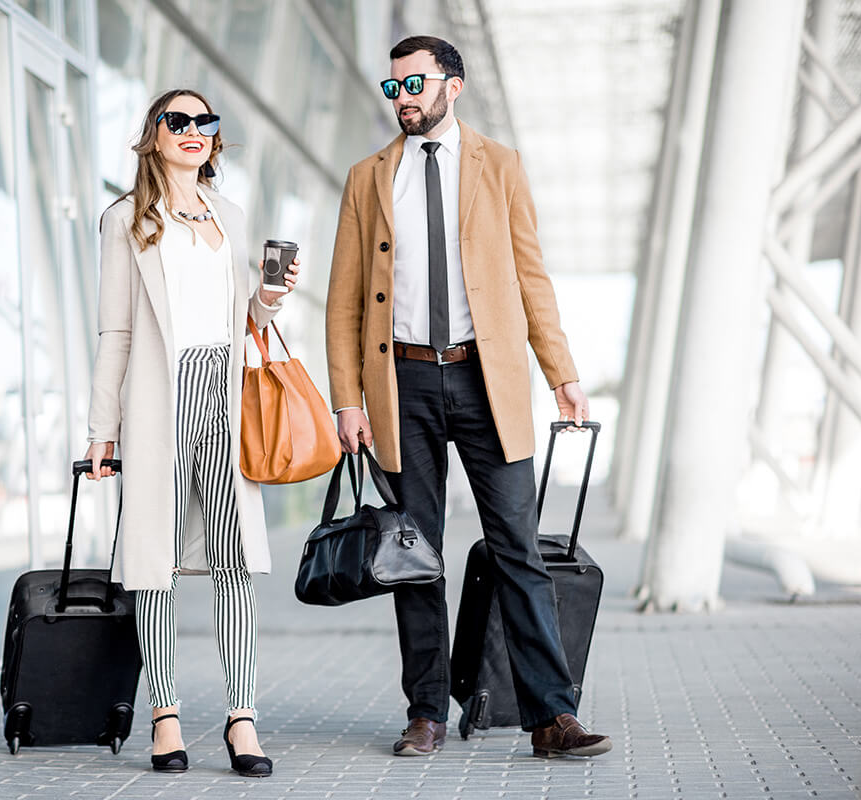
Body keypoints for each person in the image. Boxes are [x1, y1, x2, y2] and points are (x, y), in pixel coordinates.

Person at [324, 36, 612, 759]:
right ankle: (426, 709)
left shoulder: (500, 166)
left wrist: (562, 373)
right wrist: (347, 400)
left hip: (489, 380)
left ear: (454, 85)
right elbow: (343, 301)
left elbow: (531, 277)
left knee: (518, 549)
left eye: (415, 83)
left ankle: (553, 715)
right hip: (404, 383)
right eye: (394, 88)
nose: (403, 98)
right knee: (416, 554)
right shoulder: (367, 177)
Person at [84, 89, 299, 777]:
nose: (193, 131)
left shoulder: (229, 216)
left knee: (234, 556)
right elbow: (115, 331)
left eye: (205, 122)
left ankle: (243, 719)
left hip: (223, 396)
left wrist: (268, 297)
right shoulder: (126, 220)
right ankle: (165, 716)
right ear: (152, 135)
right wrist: (101, 430)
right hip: (159, 396)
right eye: (177, 121)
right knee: (156, 564)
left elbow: (245, 325)